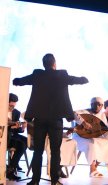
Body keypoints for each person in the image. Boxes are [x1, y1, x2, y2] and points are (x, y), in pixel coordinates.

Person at [13, 53, 89, 185]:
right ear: (54, 64)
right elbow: (76, 80)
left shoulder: (37, 75)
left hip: (40, 119)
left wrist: (16, 81)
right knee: (55, 151)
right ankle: (54, 180)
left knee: (38, 151)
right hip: (56, 120)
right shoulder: (62, 75)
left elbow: (21, 81)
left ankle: (35, 180)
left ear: (44, 65)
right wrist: (84, 79)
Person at [73, 97, 108, 177]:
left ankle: (95, 167)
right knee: (92, 144)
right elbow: (73, 114)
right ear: (91, 104)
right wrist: (83, 123)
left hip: (94, 137)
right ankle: (92, 170)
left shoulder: (102, 115)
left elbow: (104, 131)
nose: (98, 106)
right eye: (95, 104)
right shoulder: (84, 111)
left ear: (102, 106)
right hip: (80, 137)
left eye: (100, 105)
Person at [6, 93, 27, 181]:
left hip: (13, 135)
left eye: (14, 106)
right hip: (5, 136)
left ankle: (13, 164)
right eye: (11, 105)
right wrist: (10, 126)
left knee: (26, 141)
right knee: (21, 145)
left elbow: (18, 130)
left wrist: (22, 128)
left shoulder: (16, 112)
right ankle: (12, 168)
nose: (12, 108)